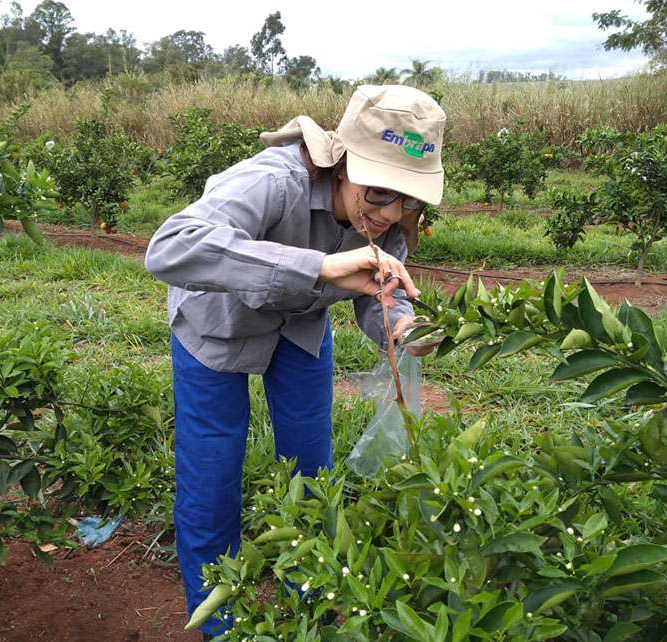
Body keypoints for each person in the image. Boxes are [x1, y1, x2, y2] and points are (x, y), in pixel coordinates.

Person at [144, 84, 446, 638]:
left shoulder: (388, 219)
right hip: (218, 323)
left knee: (312, 471)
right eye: (380, 192)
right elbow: (170, 246)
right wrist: (320, 267)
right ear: (346, 161)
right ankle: (223, 625)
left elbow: (381, 293)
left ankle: (307, 603)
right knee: (211, 478)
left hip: (300, 327)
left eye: (410, 200)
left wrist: (400, 326)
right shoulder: (274, 180)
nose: (392, 212)